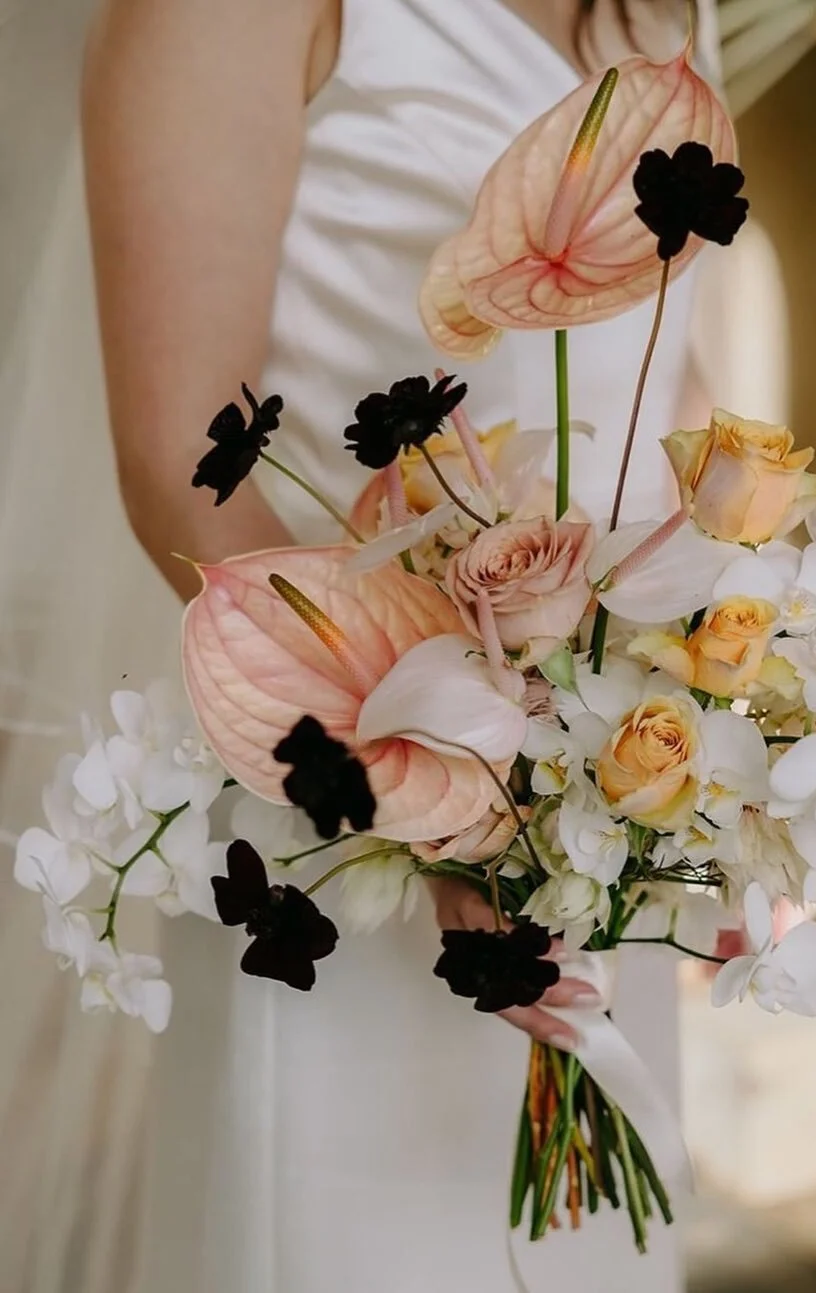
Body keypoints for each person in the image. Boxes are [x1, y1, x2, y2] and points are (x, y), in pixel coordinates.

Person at [5, 1, 724, 1289]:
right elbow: (184, 457)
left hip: (604, 827)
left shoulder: (662, 8)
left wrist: (721, 721)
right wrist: (437, 791)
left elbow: (668, 397)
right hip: (344, 823)